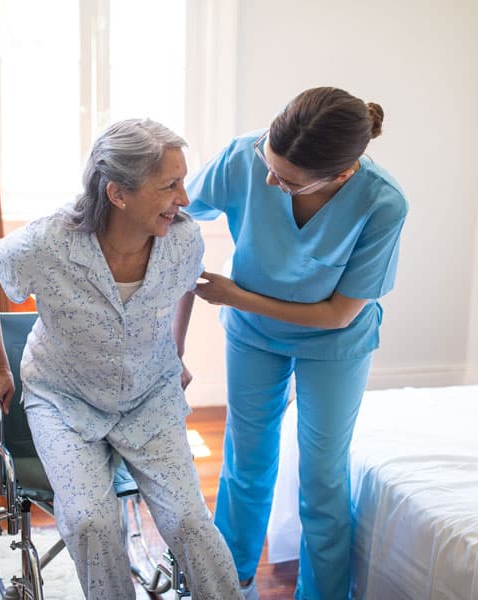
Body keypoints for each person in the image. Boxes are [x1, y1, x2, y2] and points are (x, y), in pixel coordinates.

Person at [0, 118, 244, 599]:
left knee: (189, 522)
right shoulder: (49, 242)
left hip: (149, 397)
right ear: (118, 194)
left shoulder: (182, 238)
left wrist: (174, 351)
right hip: (64, 400)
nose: (184, 197)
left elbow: (187, 284)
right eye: (170, 185)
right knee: (90, 521)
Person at [185, 87, 408, 600]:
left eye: (286, 181)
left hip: (335, 342)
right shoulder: (246, 155)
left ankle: (324, 593)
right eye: (269, 163)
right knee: (247, 460)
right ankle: (227, 579)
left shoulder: (382, 202)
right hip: (253, 337)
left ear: (343, 175)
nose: (268, 179)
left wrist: (236, 295)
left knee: (323, 477)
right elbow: (177, 208)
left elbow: (337, 314)